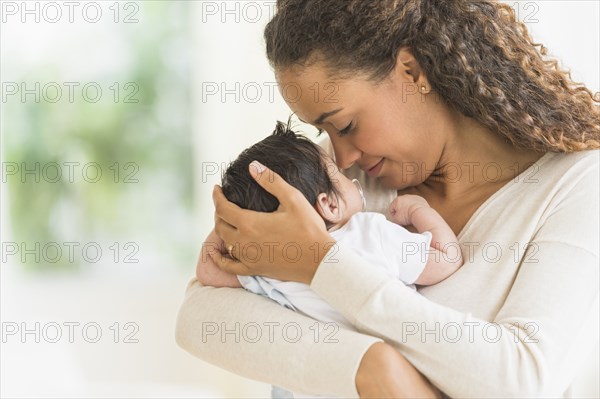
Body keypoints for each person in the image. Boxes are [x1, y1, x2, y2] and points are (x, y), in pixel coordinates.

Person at [176, 1, 600, 397]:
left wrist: (320, 263)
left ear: (412, 73)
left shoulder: (577, 186)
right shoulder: (337, 184)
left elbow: (520, 380)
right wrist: (372, 368)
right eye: (323, 132)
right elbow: (201, 319)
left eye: (345, 124)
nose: (340, 156)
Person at [198, 120, 463, 333]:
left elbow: (208, 269)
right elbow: (446, 259)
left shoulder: (269, 269)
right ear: (329, 204)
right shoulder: (369, 232)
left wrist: (231, 214)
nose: (348, 170)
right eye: (338, 173)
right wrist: (419, 210)